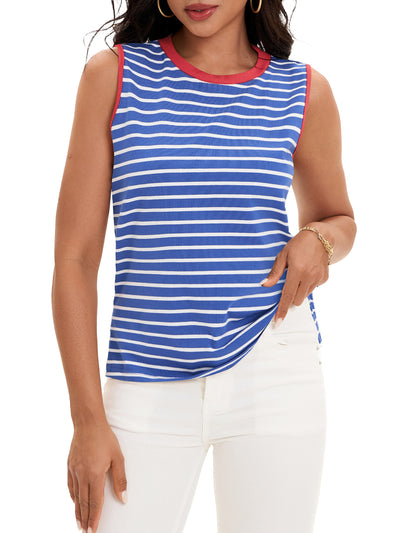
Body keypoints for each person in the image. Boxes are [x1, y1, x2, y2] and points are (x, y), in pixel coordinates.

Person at [51, 0, 357, 532]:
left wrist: (319, 239)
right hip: (145, 377)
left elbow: (339, 219)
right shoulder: (115, 77)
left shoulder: (303, 91)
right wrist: (87, 421)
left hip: (273, 365)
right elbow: (74, 260)